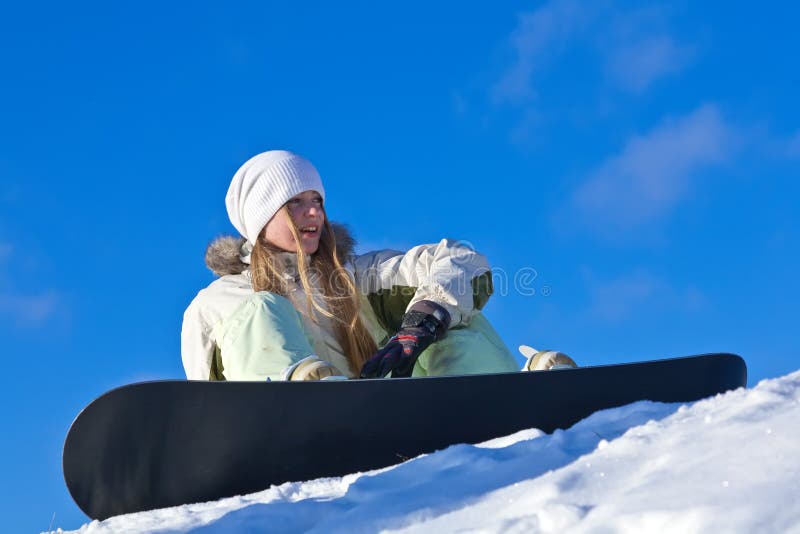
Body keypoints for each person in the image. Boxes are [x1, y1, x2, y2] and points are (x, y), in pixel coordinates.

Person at [181, 150, 567, 382]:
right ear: (260, 217)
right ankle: (299, 394)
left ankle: (503, 397)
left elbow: (461, 261)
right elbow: (206, 392)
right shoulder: (223, 299)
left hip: (384, 416)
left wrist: (425, 320)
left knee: (449, 315)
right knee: (260, 308)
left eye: (317, 199)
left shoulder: (358, 277)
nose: (314, 211)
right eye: (295, 202)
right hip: (283, 424)